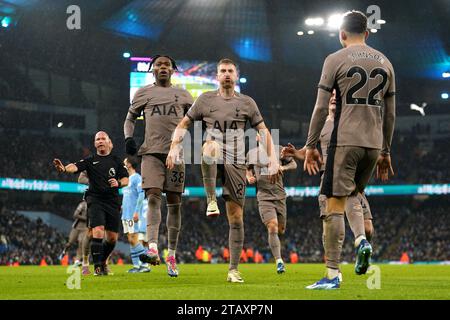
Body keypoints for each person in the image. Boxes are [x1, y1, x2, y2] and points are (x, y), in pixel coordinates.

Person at [301, 11, 395, 289]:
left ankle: (332, 275)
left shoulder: (335, 59)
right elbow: (390, 114)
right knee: (354, 193)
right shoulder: (386, 62)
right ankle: (361, 239)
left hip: (344, 141)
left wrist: (310, 145)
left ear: (341, 34)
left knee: (334, 205)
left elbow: (321, 107)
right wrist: (386, 151)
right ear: (367, 33)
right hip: (374, 144)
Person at [167, 58, 279, 283]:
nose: (226, 74)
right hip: (213, 157)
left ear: (235, 76)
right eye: (222, 71)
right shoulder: (205, 99)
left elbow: (264, 130)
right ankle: (210, 199)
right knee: (209, 145)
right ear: (217, 76)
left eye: (230, 71)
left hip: (236, 163)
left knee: (236, 218)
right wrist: (173, 148)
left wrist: (273, 159)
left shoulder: (247, 102)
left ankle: (233, 270)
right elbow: (183, 124)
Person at [283, 90, 375, 282]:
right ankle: (336, 269)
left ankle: (362, 250)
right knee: (330, 228)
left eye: (337, 94)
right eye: (331, 94)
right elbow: (312, 152)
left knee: (368, 228)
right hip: (330, 179)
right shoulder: (321, 124)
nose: (333, 97)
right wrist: (296, 153)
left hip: (352, 178)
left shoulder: (351, 120)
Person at [123, 55, 194, 277]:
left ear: (173, 70)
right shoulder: (143, 93)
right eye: (159, 64)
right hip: (151, 154)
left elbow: (198, 118)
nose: (163, 67)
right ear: (153, 69)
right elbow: (129, 118)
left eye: (167, 64)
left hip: (176, 155)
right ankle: (152, 247)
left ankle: (171, 255)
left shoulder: (184, 94)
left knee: (174, 203)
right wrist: (128, 138)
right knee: (152, 196)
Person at [53, 131, 129, 276]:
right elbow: (75, 166)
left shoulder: (116, 160)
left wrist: (118, 183)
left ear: (108, 142)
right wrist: (63, 169)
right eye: (97, 139)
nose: (100, 141)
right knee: (98, 230)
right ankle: (98, 267)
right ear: (95, 144)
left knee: (112, 238)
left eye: (103, 139)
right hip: (95, 199)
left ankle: (103, 261)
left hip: (112, 201)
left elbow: (126, 179)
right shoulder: (90, 160)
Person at [246, 134, 297, 274]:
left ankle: (278, 250)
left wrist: (282, 167)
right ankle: (279, 261)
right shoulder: (251, 154)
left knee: (281, 230)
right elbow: (248, 168)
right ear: (256, 138)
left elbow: (294, 164)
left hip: (280, 195)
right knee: (272, 227)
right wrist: (249, 176)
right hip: (264, 196)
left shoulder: (278, 149)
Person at [121, 156, 150, 273]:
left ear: (129, 164)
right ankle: (136, 266)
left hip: (133, 214)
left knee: (134, 239)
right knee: (130, 239)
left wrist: (137, 211)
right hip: (126, 214)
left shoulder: (137, 178)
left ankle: (146, 264)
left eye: (124, 162)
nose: (123, 164)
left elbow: (141, 194)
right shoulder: (127, 179)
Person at [59, 199, 88, 267]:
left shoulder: (94, 206)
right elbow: (75, 215)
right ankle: (64, 251)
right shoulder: (82, 204)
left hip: (85, 228)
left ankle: (77, 261)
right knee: (70, 243)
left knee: (81, 243)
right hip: (77, 227)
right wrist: (85, 218)